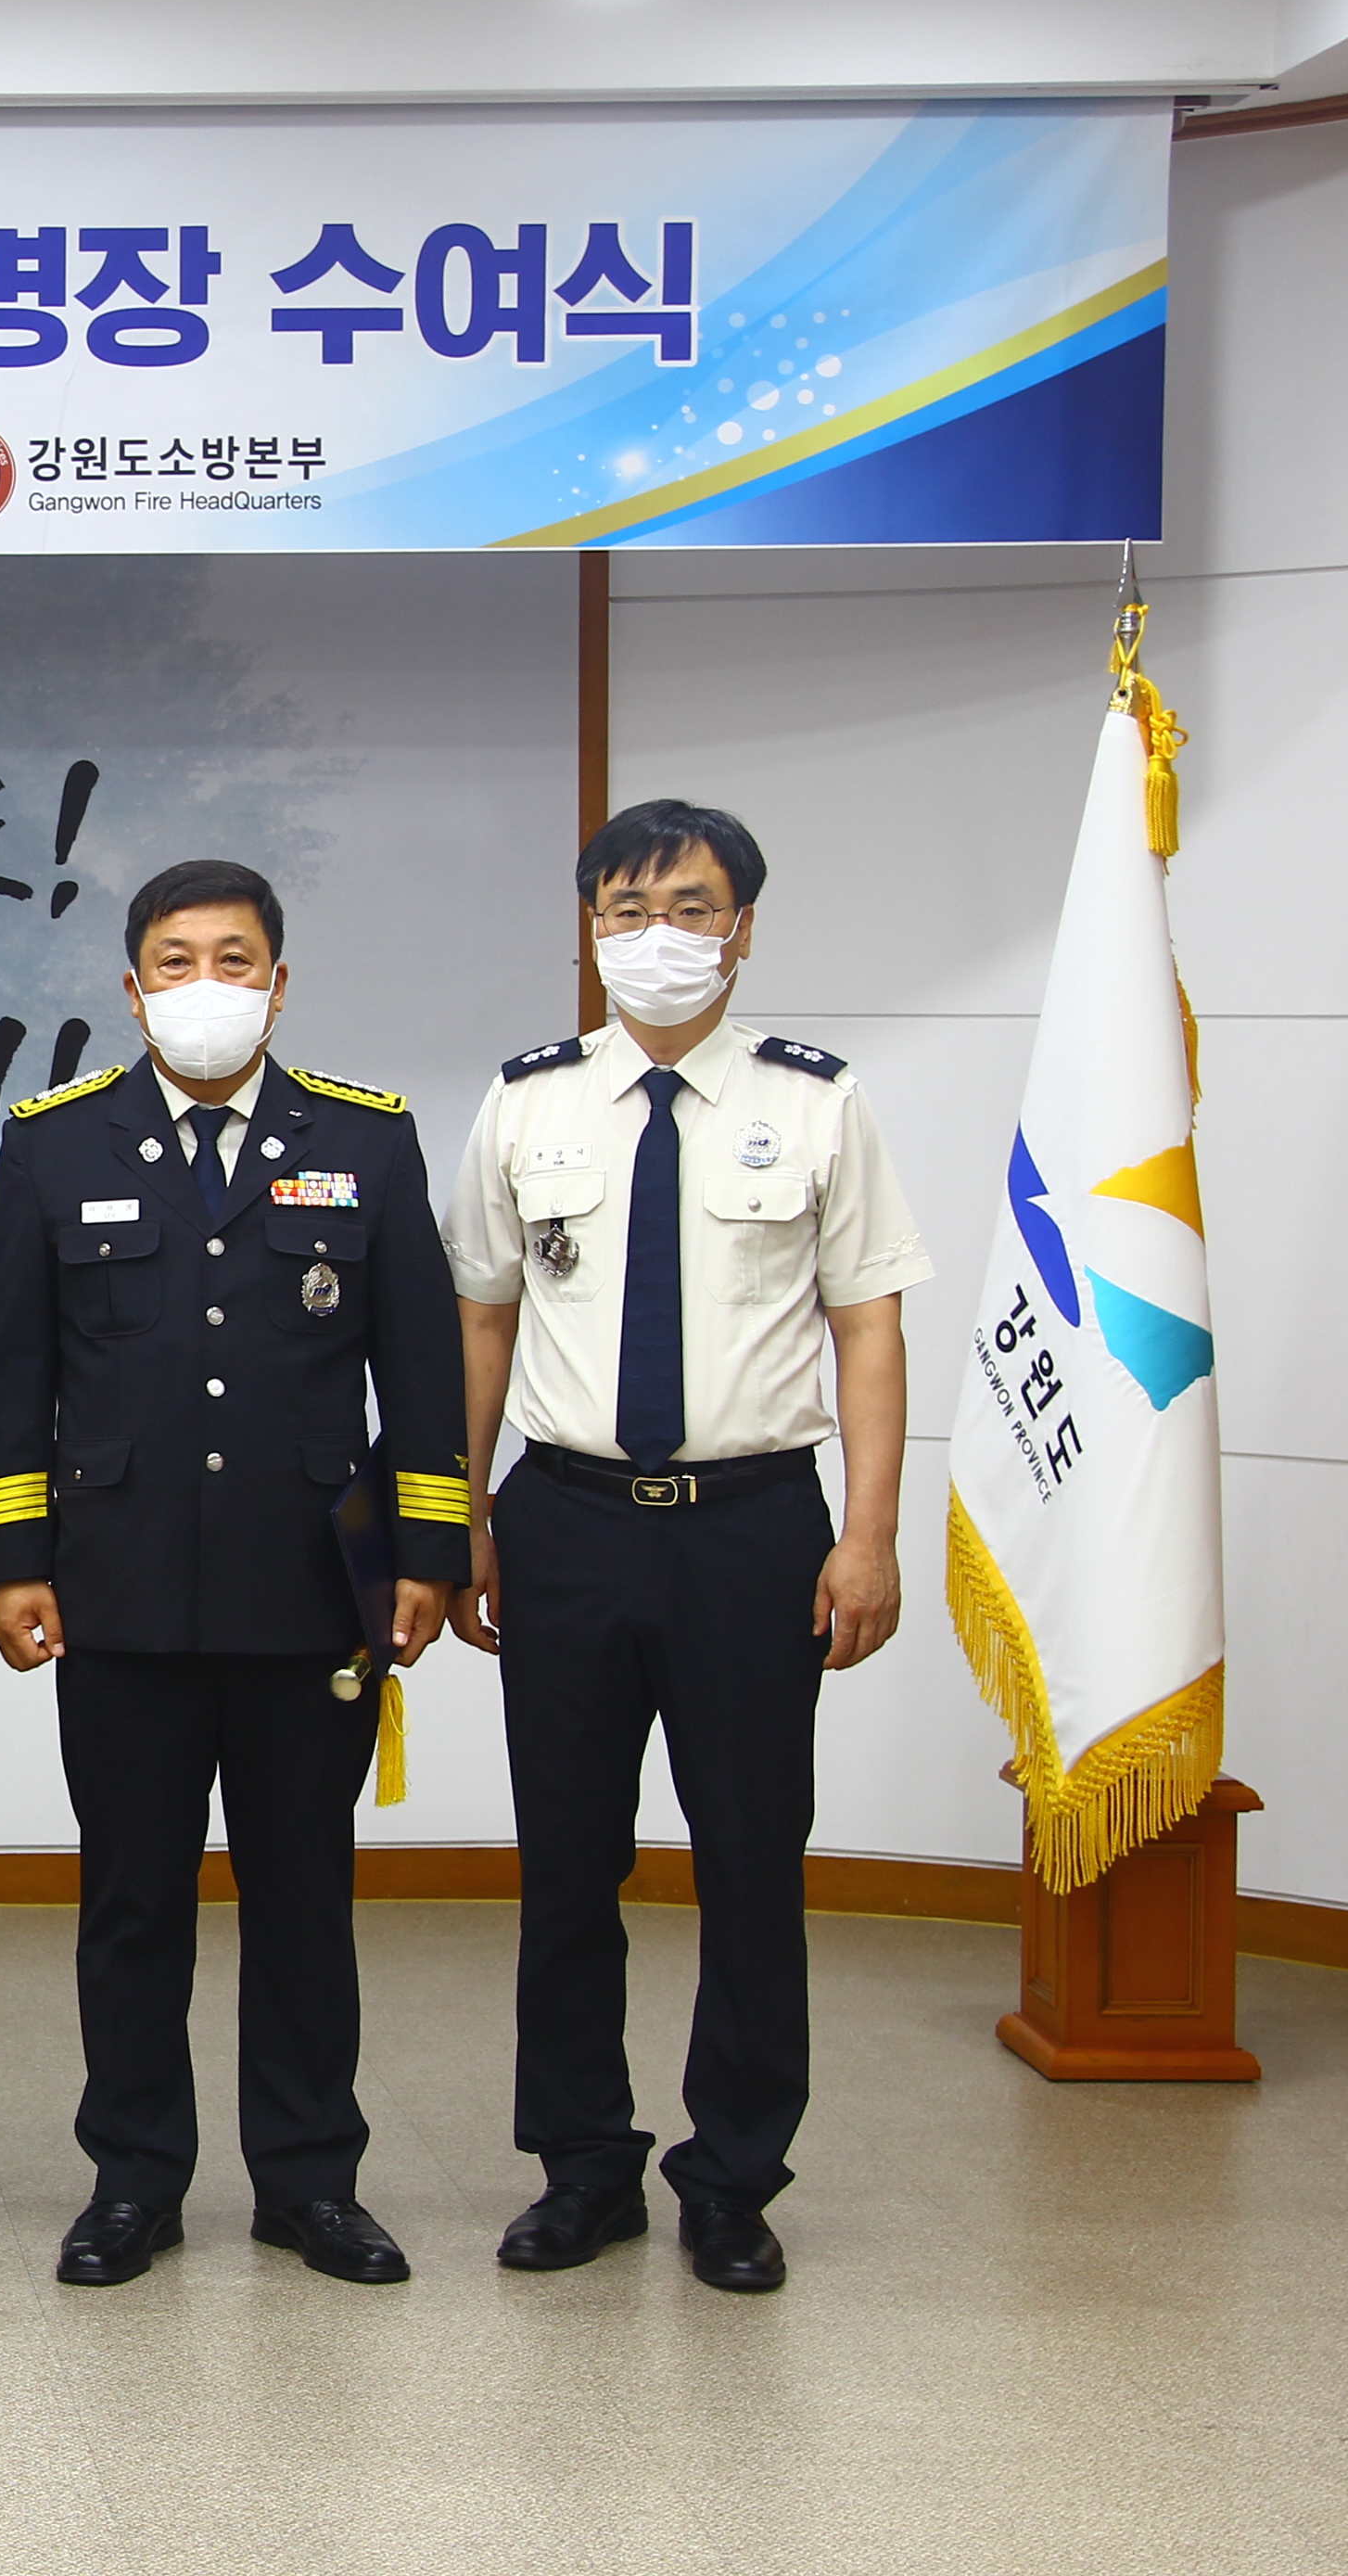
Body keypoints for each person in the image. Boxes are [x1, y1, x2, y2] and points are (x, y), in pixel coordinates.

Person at [443, 799, 926, 2295]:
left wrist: (870, 1535)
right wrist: (464, 1514)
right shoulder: (526, 1102)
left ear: (744, 929)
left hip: (756, 1531)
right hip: (567, 1522)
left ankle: (732, 2180)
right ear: (591, 928)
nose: (659, 937)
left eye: (692, 909)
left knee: (752, 1862)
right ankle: (582, 2166)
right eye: (628, 911)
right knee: (566, 1863)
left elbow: (869, 1328)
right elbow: (482, 1320)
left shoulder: (821, 1102)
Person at [0, 859, 469, 2290]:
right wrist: (14, 1561)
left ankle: (309, 2181)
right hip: (117, 1592)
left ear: (279, 983)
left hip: (310, 1592)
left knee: (304, 1897)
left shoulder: (367, 1140)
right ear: (134, 991)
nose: (205, 985)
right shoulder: (55, 1141)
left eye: (233, 959)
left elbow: (419, 1370)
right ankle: (134, 2180)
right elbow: (11, 1374)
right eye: (176, 962)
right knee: (131, 1904)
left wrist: (428, 1554)